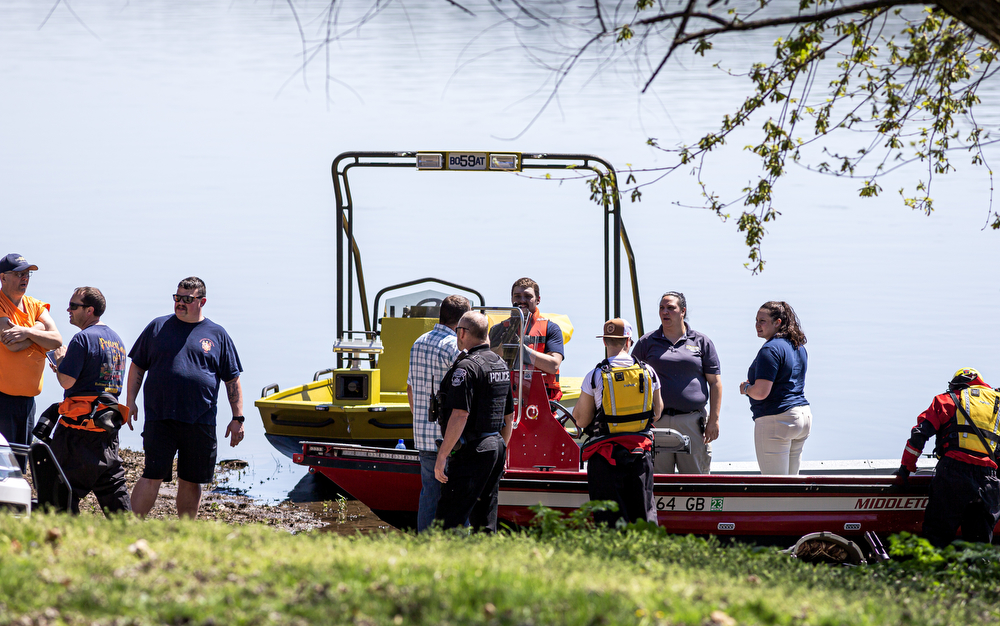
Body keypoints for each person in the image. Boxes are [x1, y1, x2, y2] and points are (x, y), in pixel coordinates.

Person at [126, 277, 245, 518]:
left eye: (187, 299)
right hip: (160, 416)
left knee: (191, 480)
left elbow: (232, 380)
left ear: (202, 301)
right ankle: (129, 526)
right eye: (177, 298)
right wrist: (131, 401)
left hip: (200, 419)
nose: (180, 303)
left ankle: (185, 531)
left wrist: (238, 418)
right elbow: (137, 366)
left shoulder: (217, 334)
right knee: (152, 475)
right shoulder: (157, 327)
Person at [44, 287, 131, 515]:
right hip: (107, 431)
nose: (68, 310)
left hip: (78, 433)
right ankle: (131, 539)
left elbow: (66, 382)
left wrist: (61, 363)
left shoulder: (82, 339)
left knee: (59, 494)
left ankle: (63, 541)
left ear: (89, 310)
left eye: (74, 306)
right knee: (115, 498)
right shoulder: (116, 340)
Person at [896, 368, 1000, 547]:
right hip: (988, 480)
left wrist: (907, 467)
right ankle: (979, 573)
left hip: (953, 474)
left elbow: (919, 435)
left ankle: (935, 573)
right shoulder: (997, 404)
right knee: (979, 547)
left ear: (956, 384)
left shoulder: (946, 400)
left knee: (937, 537)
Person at [573, 319, 662, 527]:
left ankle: (613, 556)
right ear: (629, 341)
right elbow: (657, 412)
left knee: (609, 522)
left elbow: (582, 419)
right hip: (640, 454)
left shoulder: (595, 375)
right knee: (644, 517)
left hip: (606, 458)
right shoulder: (648, 372)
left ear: (605, 341)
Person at [434, 311, 515, 533]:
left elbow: (460, 415)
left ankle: (441, 565)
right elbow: (509, 416)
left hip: (473, 450)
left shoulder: (466, 368)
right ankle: (485, 563)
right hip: (495, 446)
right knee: (486, 520)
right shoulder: (500, 364)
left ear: (461, 333)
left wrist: (442, 456)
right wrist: (503, 450)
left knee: (448, 520)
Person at [632, 292, 721, 474]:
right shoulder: (647, 342)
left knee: (696, 480)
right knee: (657, 480)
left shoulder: (701, 342)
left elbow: (715, 383)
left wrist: (714, 420)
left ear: (683, 311)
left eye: (671, 308)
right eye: (662, 308)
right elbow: (632, 379)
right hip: (657, 421)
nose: (665, 312)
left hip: (692, 422)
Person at [406, 294, 471, 532]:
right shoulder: (455, 347)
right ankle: (458, 548)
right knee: (458, 497)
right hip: (450, 438)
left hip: (423, 435)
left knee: (429, 496)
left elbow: (410, 388)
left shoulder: (418, 342)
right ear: (463, 320)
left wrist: (420, 419)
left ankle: (425, 545)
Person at [0, 253, 62, 456]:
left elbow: (56, 339)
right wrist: (39, 331)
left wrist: (26, 332)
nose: (24, 278)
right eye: (19, 274)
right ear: (3, 277)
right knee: (4, 464)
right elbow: (12, 345)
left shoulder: (35, 305)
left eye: (27, 274)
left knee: (20, 462)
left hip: (27, 402)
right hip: (3, 400)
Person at [739, 301, 812, 475]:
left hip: (777, 419)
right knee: (792, 483)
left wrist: (746, 388)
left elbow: (761, 392)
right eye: (756, 320)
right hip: (802, 416)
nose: (757, 325)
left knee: (775, 484)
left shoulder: (770, 350)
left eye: (762, 321)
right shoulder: (798, 347)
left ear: (777, 322)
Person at [490, 277, 565, 401]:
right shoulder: (498, 329)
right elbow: (489, 364)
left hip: (542, 401)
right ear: (512, 299)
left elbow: (554, 365)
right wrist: (506, 346)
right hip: (505, 399)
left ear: (538, 300)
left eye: (527, 296)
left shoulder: (551, 329)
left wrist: (522, 350)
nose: (522, 300)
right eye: (517, 296)